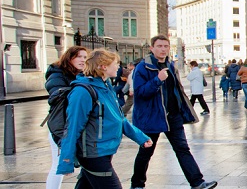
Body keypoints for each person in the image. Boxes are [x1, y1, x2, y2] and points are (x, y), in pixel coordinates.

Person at [130, 35, 217, 189]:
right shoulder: (143, 67)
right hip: (153, 117)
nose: (163, 49)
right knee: (146, 152)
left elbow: (177, 91)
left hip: (173, 116)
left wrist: (182, 110)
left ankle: (197, 182)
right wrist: (157, 80)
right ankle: (137, 185)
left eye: (166, 46)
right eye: (159, 46)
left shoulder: (171, 65)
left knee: (183, 149)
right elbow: (140, 93)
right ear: (152, 48)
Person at [56, 49, 153, 188]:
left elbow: (119, 118)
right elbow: (72, 127)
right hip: (93, 153)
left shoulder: (106, 87)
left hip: (104, 150)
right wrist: (66, 160)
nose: (119, 66)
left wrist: (140, 137)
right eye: (116, 63)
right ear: (103, 66)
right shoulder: (82, 91)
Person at [44, 46, 88, 189]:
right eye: (79, 56)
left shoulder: (82, 75)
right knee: (59, 164)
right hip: (60, 125)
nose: (83, 60)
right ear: (69, 58)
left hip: (77, 125)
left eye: (85, 57)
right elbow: (56, 94)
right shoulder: (57, 73)